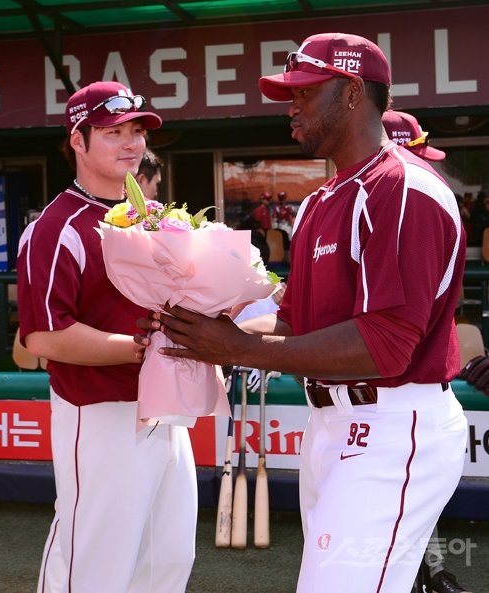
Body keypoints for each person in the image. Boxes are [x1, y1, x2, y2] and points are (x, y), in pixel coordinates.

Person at [137, 33, 468, 593]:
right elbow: (292, 321)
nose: (290, 106)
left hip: (392, 422)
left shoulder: (403, 188)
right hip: (332, 423)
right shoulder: (321, 199)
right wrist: (202, 330)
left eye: (305, 92)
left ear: (353, 93)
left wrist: (239, 349)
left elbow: (386, 344)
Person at [17, 81, 197, 593]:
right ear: (78, 140)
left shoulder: (154, 218)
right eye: (113, 131)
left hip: (165, 407)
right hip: (98, 411)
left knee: (167, 556)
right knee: (94, 559)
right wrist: (144, 348)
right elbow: (44, 338)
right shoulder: (56, 226)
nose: (131, 143)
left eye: (137, 131)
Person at [383, 109, 471, 593]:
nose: (425, 167)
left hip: (419, 401)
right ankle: (429, 574)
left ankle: (432, 573)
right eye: (414, 154)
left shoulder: (420, 203)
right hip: (390, 405)